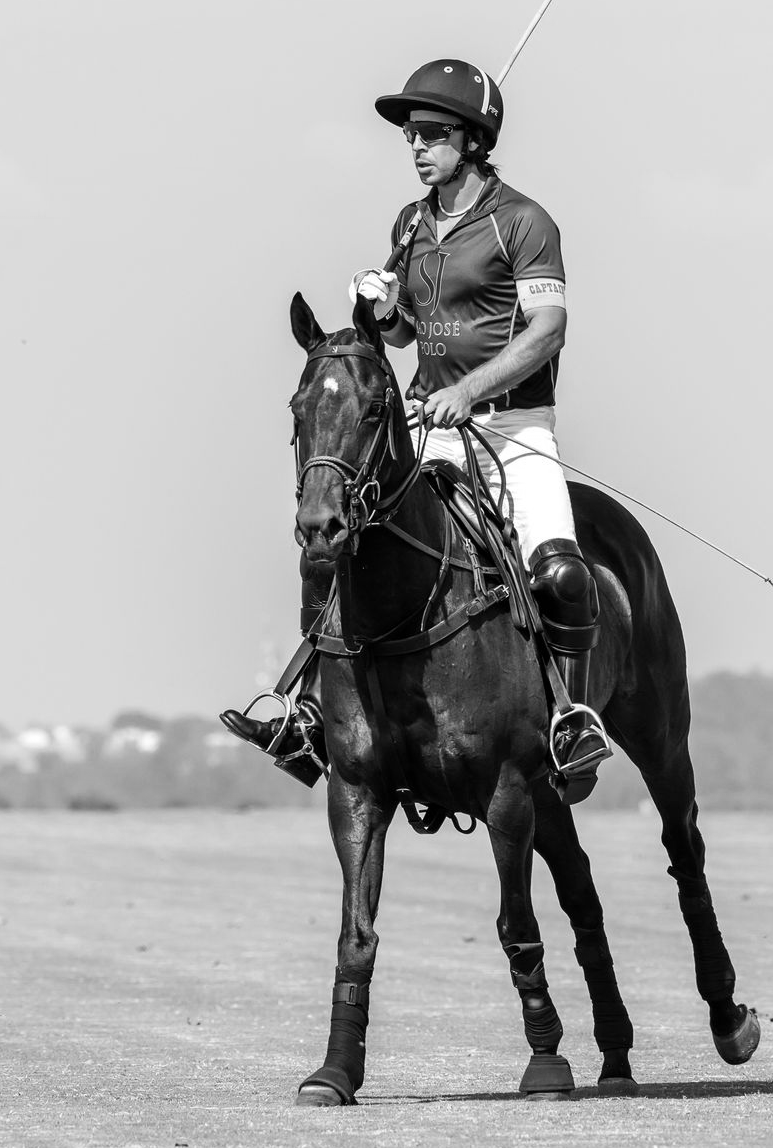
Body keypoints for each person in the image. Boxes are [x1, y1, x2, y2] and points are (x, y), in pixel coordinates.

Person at [222, 58, 610, 792]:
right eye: (411, 136)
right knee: (337, 545)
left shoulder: (524, 223)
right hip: (428, 428)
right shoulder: (410, 224)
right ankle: (308, 714)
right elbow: (402, 336)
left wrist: (469, 389)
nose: (417, 147)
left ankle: (569, 719)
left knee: (561, 573)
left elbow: (549, 329)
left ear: (473, 140)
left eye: (432, 134)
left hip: (514, 429)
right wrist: (384, 308)